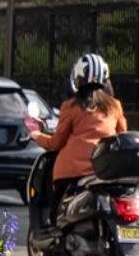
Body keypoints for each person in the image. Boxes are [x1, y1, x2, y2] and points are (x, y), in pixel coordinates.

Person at [30, 53, 127, 228]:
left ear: (77, 79)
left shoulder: (71, 106)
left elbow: (56, 143)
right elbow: (122, 135)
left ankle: (54, 225)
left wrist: (37, 136)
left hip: (73, 171)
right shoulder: (115, 106)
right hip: (105, 170)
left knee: (55, 199)